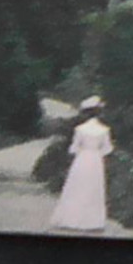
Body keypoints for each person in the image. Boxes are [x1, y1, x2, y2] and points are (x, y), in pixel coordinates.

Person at [49, 95, 114, 232]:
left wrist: (81, 152)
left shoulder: (80, 129)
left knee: (77, 186)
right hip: (96, 160)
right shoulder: (104, 130)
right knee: (93, 188)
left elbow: (74, 148)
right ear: (99, 112)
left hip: (82, 159)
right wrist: (97, 152)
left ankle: (72, 218)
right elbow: (107, 149)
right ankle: (92, 221)